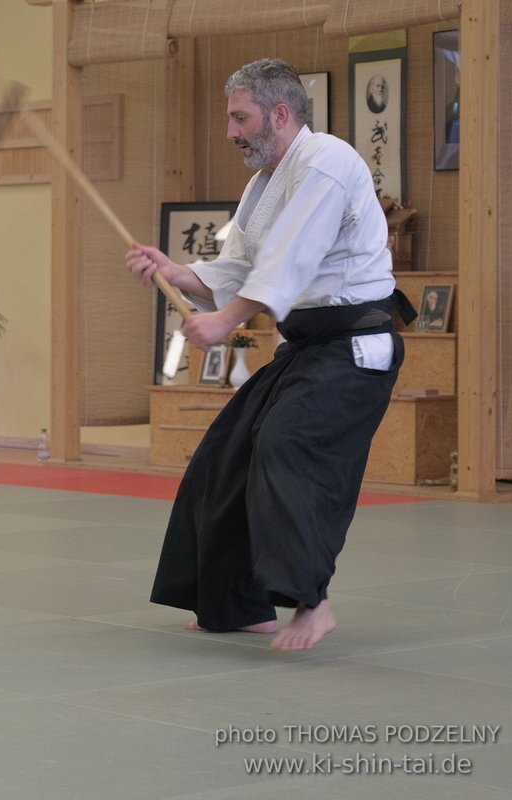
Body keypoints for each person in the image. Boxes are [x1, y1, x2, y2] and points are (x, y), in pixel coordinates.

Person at [125, 58, 413, 651]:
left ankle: (314, 600)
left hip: (355, 348)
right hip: (308, 349)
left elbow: (288, 261)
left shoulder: (326, 163)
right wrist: (174, 271)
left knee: (288, 444)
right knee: (224, 455)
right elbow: (237, 267)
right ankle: (237, 607)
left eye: (239, 117)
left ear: (279, 114)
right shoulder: (263, 185)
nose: (231, 131)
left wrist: (226, 321)